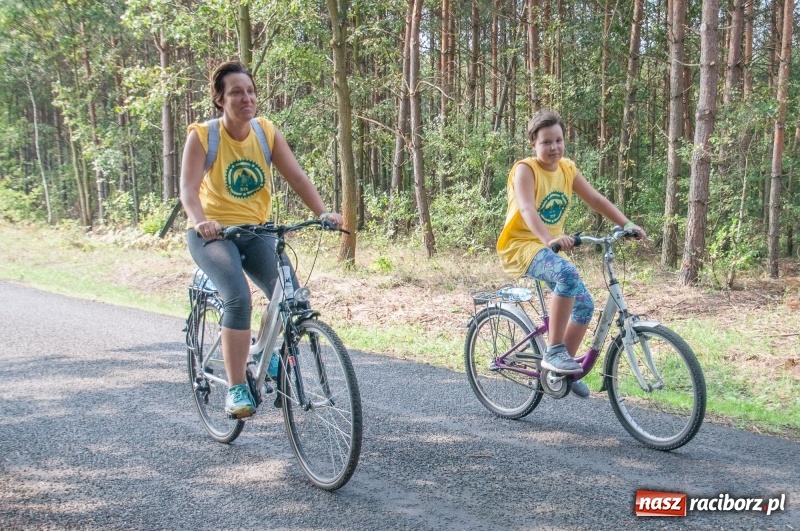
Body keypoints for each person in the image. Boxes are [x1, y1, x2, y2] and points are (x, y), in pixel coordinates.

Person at [180, 61, 343, 418]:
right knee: (238, 298)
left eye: (251, 91)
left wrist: (323, 212)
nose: (247, 98)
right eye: (236, 92)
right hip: (213, 235)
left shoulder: (265, 132)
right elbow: (188, 189)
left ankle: (262, 349)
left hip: (255, 231)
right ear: (220, 99)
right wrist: (201, 220)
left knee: (290, 296)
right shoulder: (203, 136)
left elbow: (297, 177)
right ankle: (237, 387)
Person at [496, 109, 645, 398]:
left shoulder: (567, 169)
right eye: (546, 142)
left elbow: (596, 199)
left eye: (558, 140)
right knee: (567, 273)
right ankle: (554, 351)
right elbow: (527, 209)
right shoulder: (525, 169)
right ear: (533, 144)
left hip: (548, 247)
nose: (554, 147)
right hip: (522, 245)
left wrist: (626, 224)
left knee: (585, 305)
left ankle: (562, 370)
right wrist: (550, 238)